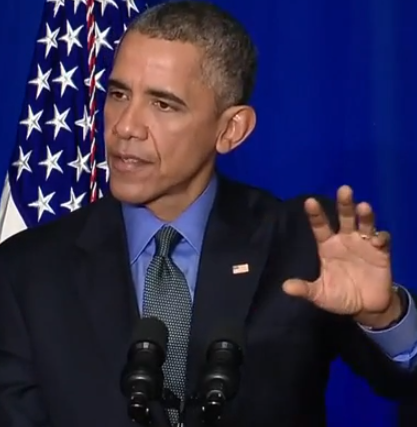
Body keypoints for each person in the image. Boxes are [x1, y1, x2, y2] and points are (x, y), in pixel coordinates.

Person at [0, 2, 417, 427]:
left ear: (230, 130)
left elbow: (405, 386)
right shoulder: (27, 270)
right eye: (118, 94)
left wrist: (384, 319)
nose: (125, 126)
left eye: (163, 104)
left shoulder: (300, 245)